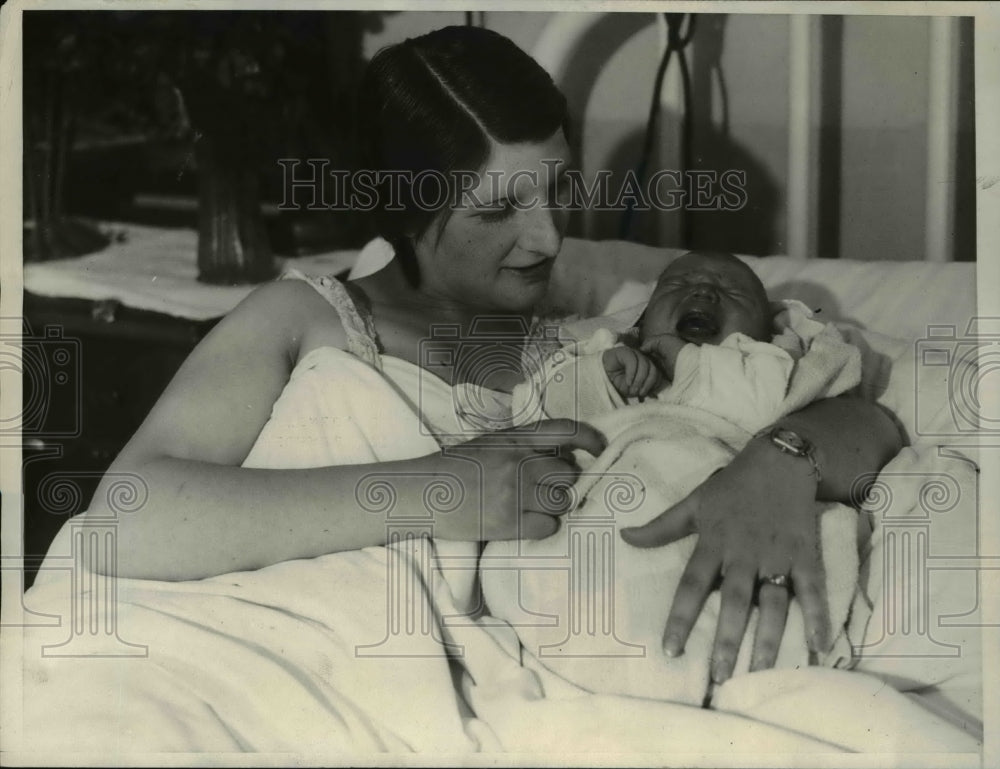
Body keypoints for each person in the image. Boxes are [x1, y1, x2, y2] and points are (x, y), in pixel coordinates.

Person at [83, 25, 902, 687]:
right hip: (266, 667)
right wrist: (436, 491)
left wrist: (781, 459)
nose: (547, 237)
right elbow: (121, 519)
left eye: (558, 190)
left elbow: (869, 416)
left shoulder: (603, 338)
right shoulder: (305, 317)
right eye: (499, 209)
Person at [484, 250, 870, 703]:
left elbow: (760, 408)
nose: (703, 291)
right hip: (607, 504)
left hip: (716, 487)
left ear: (767, 328)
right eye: (677, 285)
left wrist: (687, 361)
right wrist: (600, 377)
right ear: (642, 321)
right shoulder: (602, 350)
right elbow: (540, 414)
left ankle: (692, 682)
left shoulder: (767, 361)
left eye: (732, 292)